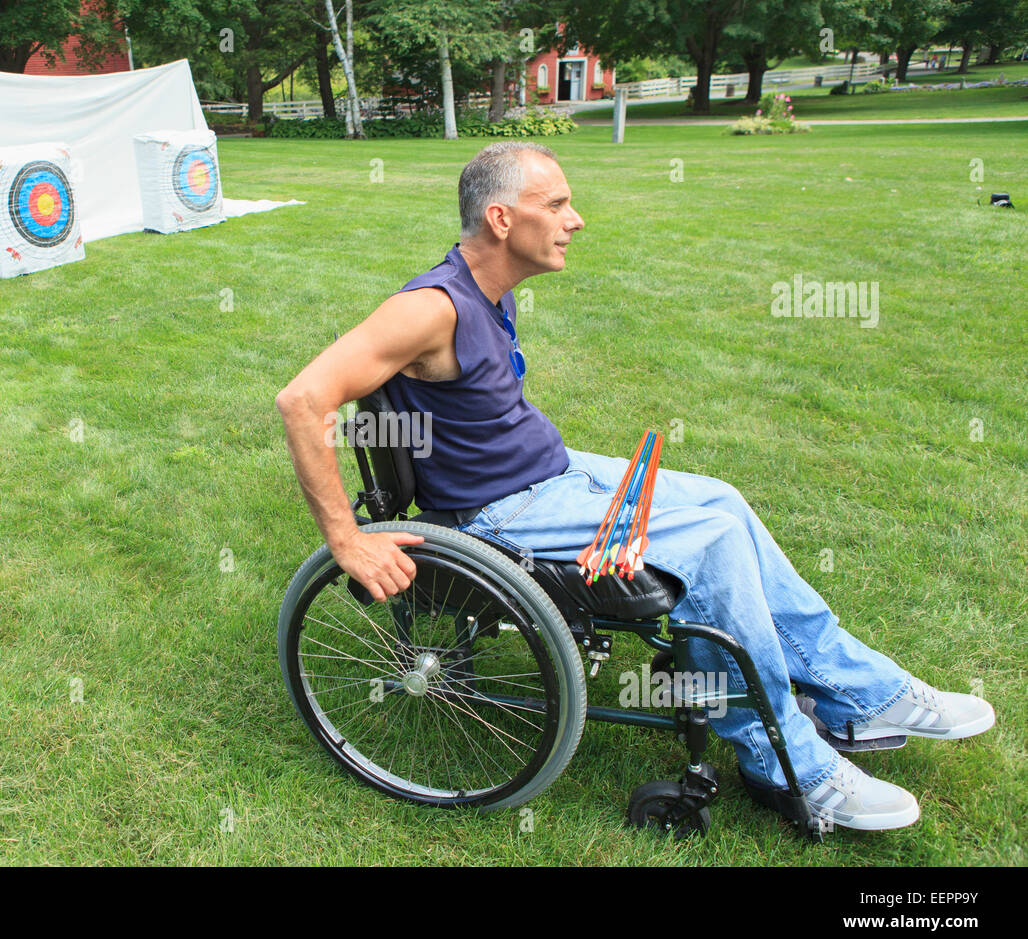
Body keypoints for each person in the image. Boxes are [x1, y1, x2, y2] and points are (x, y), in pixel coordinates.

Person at [273, 141, 994, 831]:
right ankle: (787, 764)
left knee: (722, 499)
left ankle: (861, 696)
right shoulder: (431, 306)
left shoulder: (490, 292)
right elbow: (303, 400)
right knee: (710, 544)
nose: (574, 219)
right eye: (556, 204)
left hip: (550, 471)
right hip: (501, 512)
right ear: (502, 218)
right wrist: (346, 539)